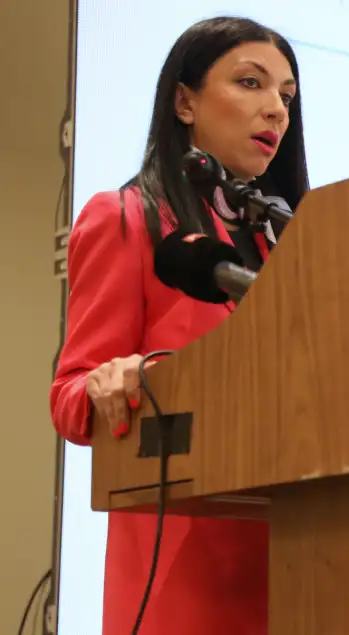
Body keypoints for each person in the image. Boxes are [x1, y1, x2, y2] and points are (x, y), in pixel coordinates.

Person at [50, 16, 309, 635]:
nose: (276, 109)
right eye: (251, 83)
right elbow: (71, 395)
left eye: (286, 96)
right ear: (184, 101)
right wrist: (116, 380)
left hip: (302, 552)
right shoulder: (126, 218)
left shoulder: (294, 244)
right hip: (184, 570)